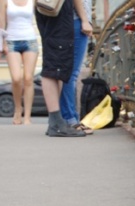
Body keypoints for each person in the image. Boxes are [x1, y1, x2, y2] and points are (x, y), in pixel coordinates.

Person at [36, 0, 91, 137]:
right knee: (59, 69)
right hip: (65, 18)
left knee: (56, 68)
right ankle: (66, 120)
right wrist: (84, 19)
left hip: (55, 16)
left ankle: (59, 121)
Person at [2, 0, 38, 125]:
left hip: (30, 40)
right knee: (16, 78)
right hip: (12, 40)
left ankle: (27, 116)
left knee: (28, 78)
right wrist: (3, 42)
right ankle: (18, 109)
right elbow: (1, 22)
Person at [59, 0, 93, 133]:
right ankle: (70, 119)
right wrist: (84, 20)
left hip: (72, 21)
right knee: (71, 73)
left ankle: (70, 118)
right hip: (76, 21)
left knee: (69, 73)